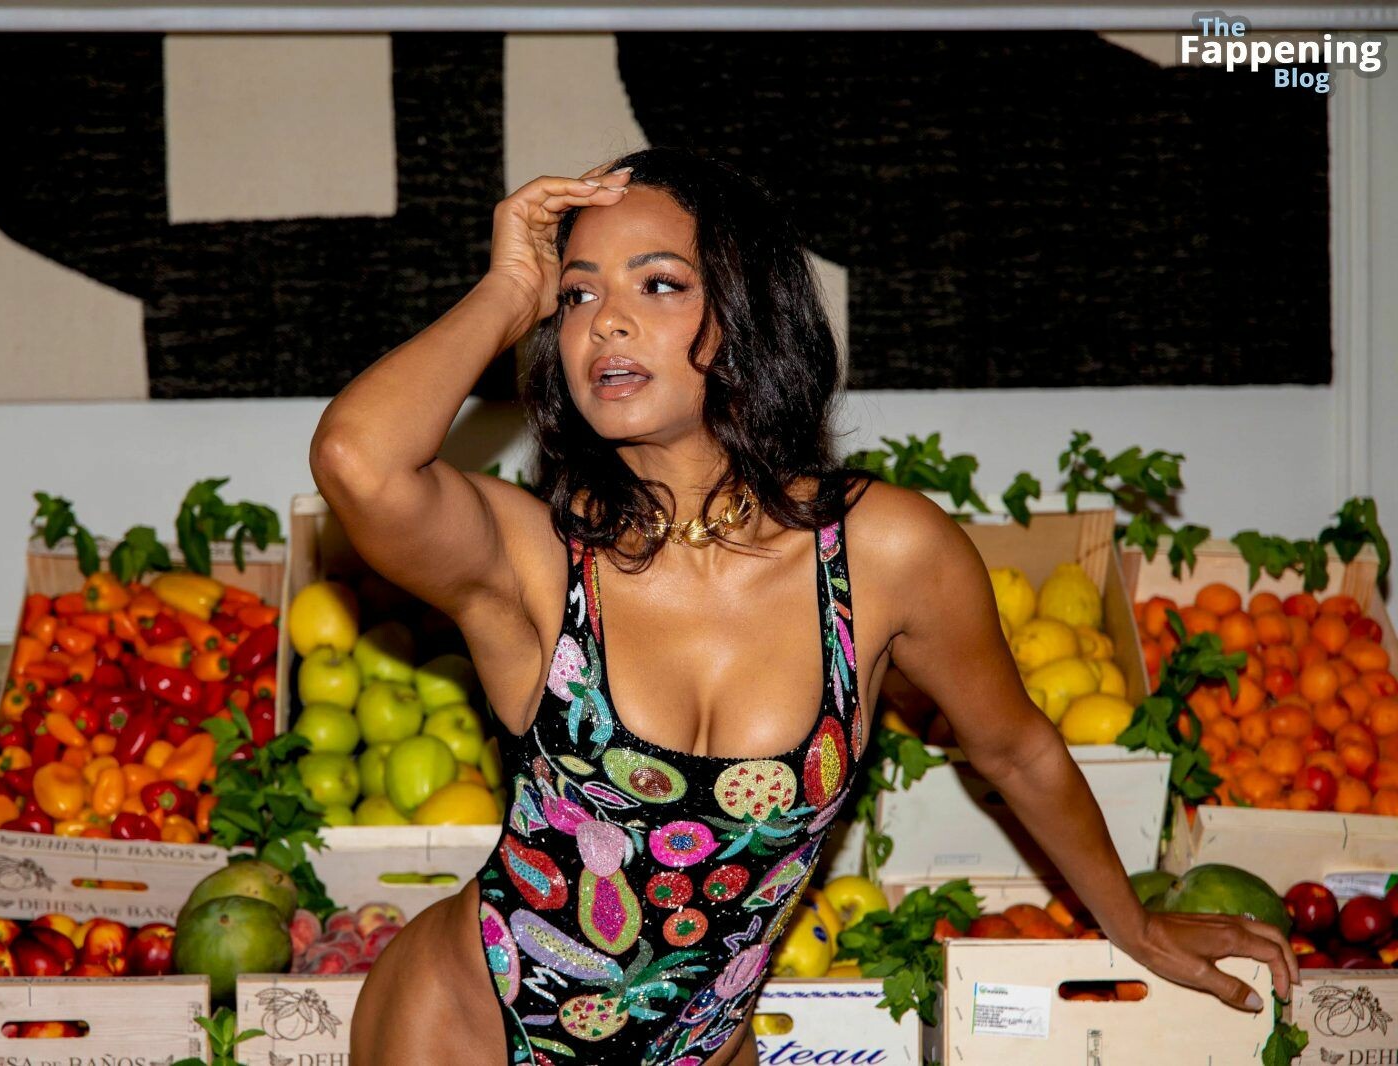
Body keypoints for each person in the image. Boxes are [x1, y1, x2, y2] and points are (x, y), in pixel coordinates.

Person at [308, 146, 1298, 1066]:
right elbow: (358, 460)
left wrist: (1134, 922)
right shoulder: (535, 557)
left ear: (744, 313)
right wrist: (507, 291)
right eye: (578, 294)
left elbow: (1017, 750)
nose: (604, 320)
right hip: (464, 1030)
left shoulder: (882, 554)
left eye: (659, 284)